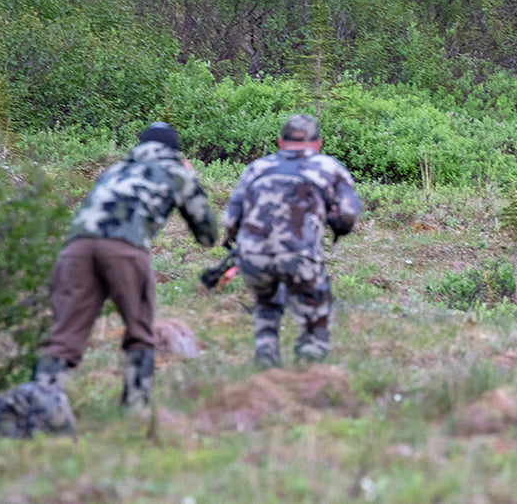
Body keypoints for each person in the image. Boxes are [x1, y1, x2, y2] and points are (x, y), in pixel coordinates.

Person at [32, 122, 218, 410]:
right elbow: (207, 234)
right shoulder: (177, 171)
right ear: (175, 151)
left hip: (76, 249)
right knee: (140, 332)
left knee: (63, 336)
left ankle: (40, 408)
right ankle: (135, 411)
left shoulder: (115, 169)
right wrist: (190, 178)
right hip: (126, 249)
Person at [223, 114, 361, 368]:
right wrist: (338, 227)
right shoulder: (330, 168)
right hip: (300, 255)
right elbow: (349, 213)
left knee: (266, 302)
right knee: (315, 307)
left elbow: (231, 220)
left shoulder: (256, 168)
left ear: (280, 142)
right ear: (317, 143)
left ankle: (266, 357)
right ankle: (309, 367)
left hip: (254, 256)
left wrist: (236, 243)